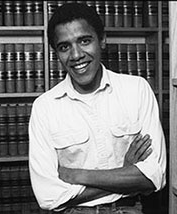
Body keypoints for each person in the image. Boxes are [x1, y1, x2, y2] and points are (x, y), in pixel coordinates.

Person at [29, 2, 166, 214]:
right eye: (64, 47)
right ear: (56, 52)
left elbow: (154, 177)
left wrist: (76, 175)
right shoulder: (44, 107)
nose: (76, 55)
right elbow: (49, 197)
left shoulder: (137, 89)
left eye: (84, 41)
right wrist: (125, 173)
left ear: (102, 40)